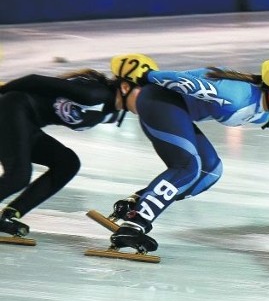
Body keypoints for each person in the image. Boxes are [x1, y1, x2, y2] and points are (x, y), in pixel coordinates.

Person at [107, 58, 269, 253]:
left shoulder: (265, 111)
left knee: (209, 171)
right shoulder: (235, 96)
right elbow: (185, 80)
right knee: (187, 166)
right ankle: (134, 226)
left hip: (178, 111)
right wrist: (149, 75)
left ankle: (137, 203)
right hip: (158, 101)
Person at [0, 53, 158, 239]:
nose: (148, 99)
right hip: (10, 109)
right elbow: (33, 80)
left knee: (67, 163)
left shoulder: (113, 114)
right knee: (19, 174)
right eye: (144, 92)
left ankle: (11, 214)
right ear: (125, 87)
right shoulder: (93, 94)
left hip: (26, 122)